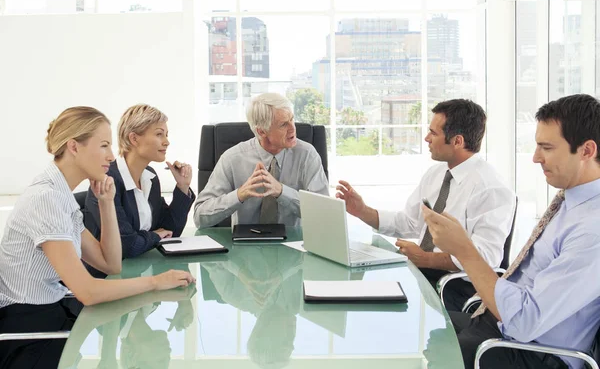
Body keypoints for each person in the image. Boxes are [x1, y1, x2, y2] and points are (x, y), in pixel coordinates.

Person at [0, 107, 195, 369]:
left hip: (54, 316)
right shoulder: (45, 199)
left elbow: (110, 264)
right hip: (30, 334)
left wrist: (106, 203)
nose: (111, 156)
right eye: (103, 146)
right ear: (74, 147)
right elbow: (88, 291)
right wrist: (157, 282)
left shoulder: (61, 195)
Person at [425, 94, 600, 369]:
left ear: (586, 151)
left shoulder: (592, 230)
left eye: (547, 147)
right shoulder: (570, 202)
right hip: (498, 324)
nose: (535, 157)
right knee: (415, 327)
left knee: (417, 358)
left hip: (530, 352)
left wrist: (464, 250)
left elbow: (525, 321)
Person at [336, 99, 516, 311]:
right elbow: (410, 223)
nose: (426, 138)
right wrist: (363, 211)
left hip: (455, 286)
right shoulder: (436, 173)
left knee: (371, 305)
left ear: (457, 141)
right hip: (422, 272)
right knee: (353, 290)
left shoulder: (490, 188)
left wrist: (427, 259)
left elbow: (487, 257)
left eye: (433, 133)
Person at [194, 92, 329, 228]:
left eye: (292, 119)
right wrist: (239, 195)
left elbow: (324, 212)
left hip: (294, 243)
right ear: (261, 132)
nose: (293, 128)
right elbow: (200, 217)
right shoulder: (232, 158)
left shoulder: (307, 155)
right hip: (244, 245)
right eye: (283, 125)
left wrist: (282, 192)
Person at [85, 104, 195, 261]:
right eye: (159, 134)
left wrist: (182, 187)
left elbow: (170, 231)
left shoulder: (150, 177)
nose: (166, 142)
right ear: (134, 139)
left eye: (166, 135)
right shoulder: (107, 181)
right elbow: (126, 245)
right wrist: (154, 236)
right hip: (107, 276)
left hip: (138, 267)